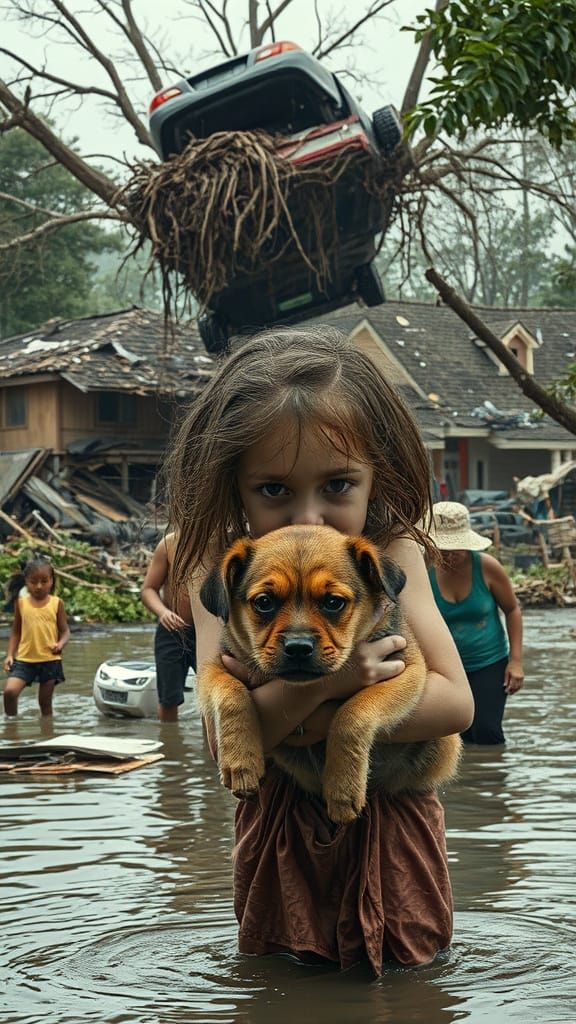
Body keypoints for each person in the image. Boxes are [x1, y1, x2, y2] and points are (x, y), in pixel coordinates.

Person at [167, 327, 473, 976]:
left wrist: (341, 715)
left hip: (394, 814)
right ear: (234, 483)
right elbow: (224, 740)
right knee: (281, 975)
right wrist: (334, 684)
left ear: (376, 476)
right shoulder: (221, 571)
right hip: (278, 821)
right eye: (274, 490)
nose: (312, 516)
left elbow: (455, 703)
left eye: (337, 486)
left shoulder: (391, 555)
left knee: (410, 978)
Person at [428, 501, 524, 745]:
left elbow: (512, 610)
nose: (449, 555)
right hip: (443, 666)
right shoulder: (423, 570)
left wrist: (515, 661)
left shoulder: (488, 567)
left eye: (456, 548)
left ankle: (490, 781)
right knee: (449, 737)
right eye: (443, 548)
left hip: (488, 662)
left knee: (487, 732)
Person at [3, 556, 70, 717]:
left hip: (49, 660)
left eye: (44, 581)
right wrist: (10, 655)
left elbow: (65, 632)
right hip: (25, 660)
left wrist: (60, 644)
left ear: (51, 581)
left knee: (45, 704)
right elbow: (16, 632)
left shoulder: (56, 603)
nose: (39, 586)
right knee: (10, 692)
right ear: (26, 581)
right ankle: (11, 728)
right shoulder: (21, 603)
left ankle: (47, 735)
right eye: (33, 582)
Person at [140, 533, 197, 722]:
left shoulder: (221, 540)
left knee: (213, 696)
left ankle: (211, 750)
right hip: (171, 631)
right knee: (168, 699)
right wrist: (163, 612)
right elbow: (149, 589)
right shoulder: (168, 544)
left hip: (209, 630)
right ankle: (170, 746)